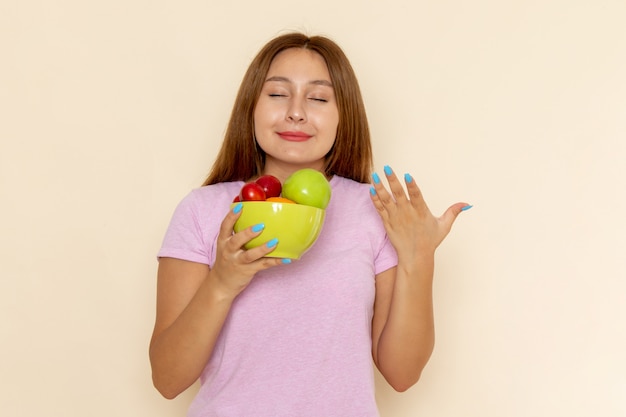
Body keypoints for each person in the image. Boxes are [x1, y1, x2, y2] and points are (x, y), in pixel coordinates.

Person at [149, 32, 471, 417]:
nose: (296, 112)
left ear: (343, 116)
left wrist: (419, 258)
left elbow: (402, 374)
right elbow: (167, 379)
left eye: (318, 98)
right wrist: (222, 282)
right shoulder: (202, 211)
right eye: (277, 94)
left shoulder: (375, 211)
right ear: (250, 107)